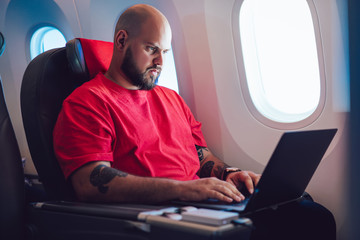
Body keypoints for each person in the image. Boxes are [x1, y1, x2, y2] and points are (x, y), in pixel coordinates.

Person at [53, 4, 336, 240]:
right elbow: (90, 184)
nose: (160, 62)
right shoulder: (86, 103)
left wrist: (227, 173)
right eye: (152, 49)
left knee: (307, 210)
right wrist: (183, 188)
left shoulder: (170, 98)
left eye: (164, 52)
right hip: (156, 216)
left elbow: (200, 155)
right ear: (121, 40)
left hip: (195, 204)